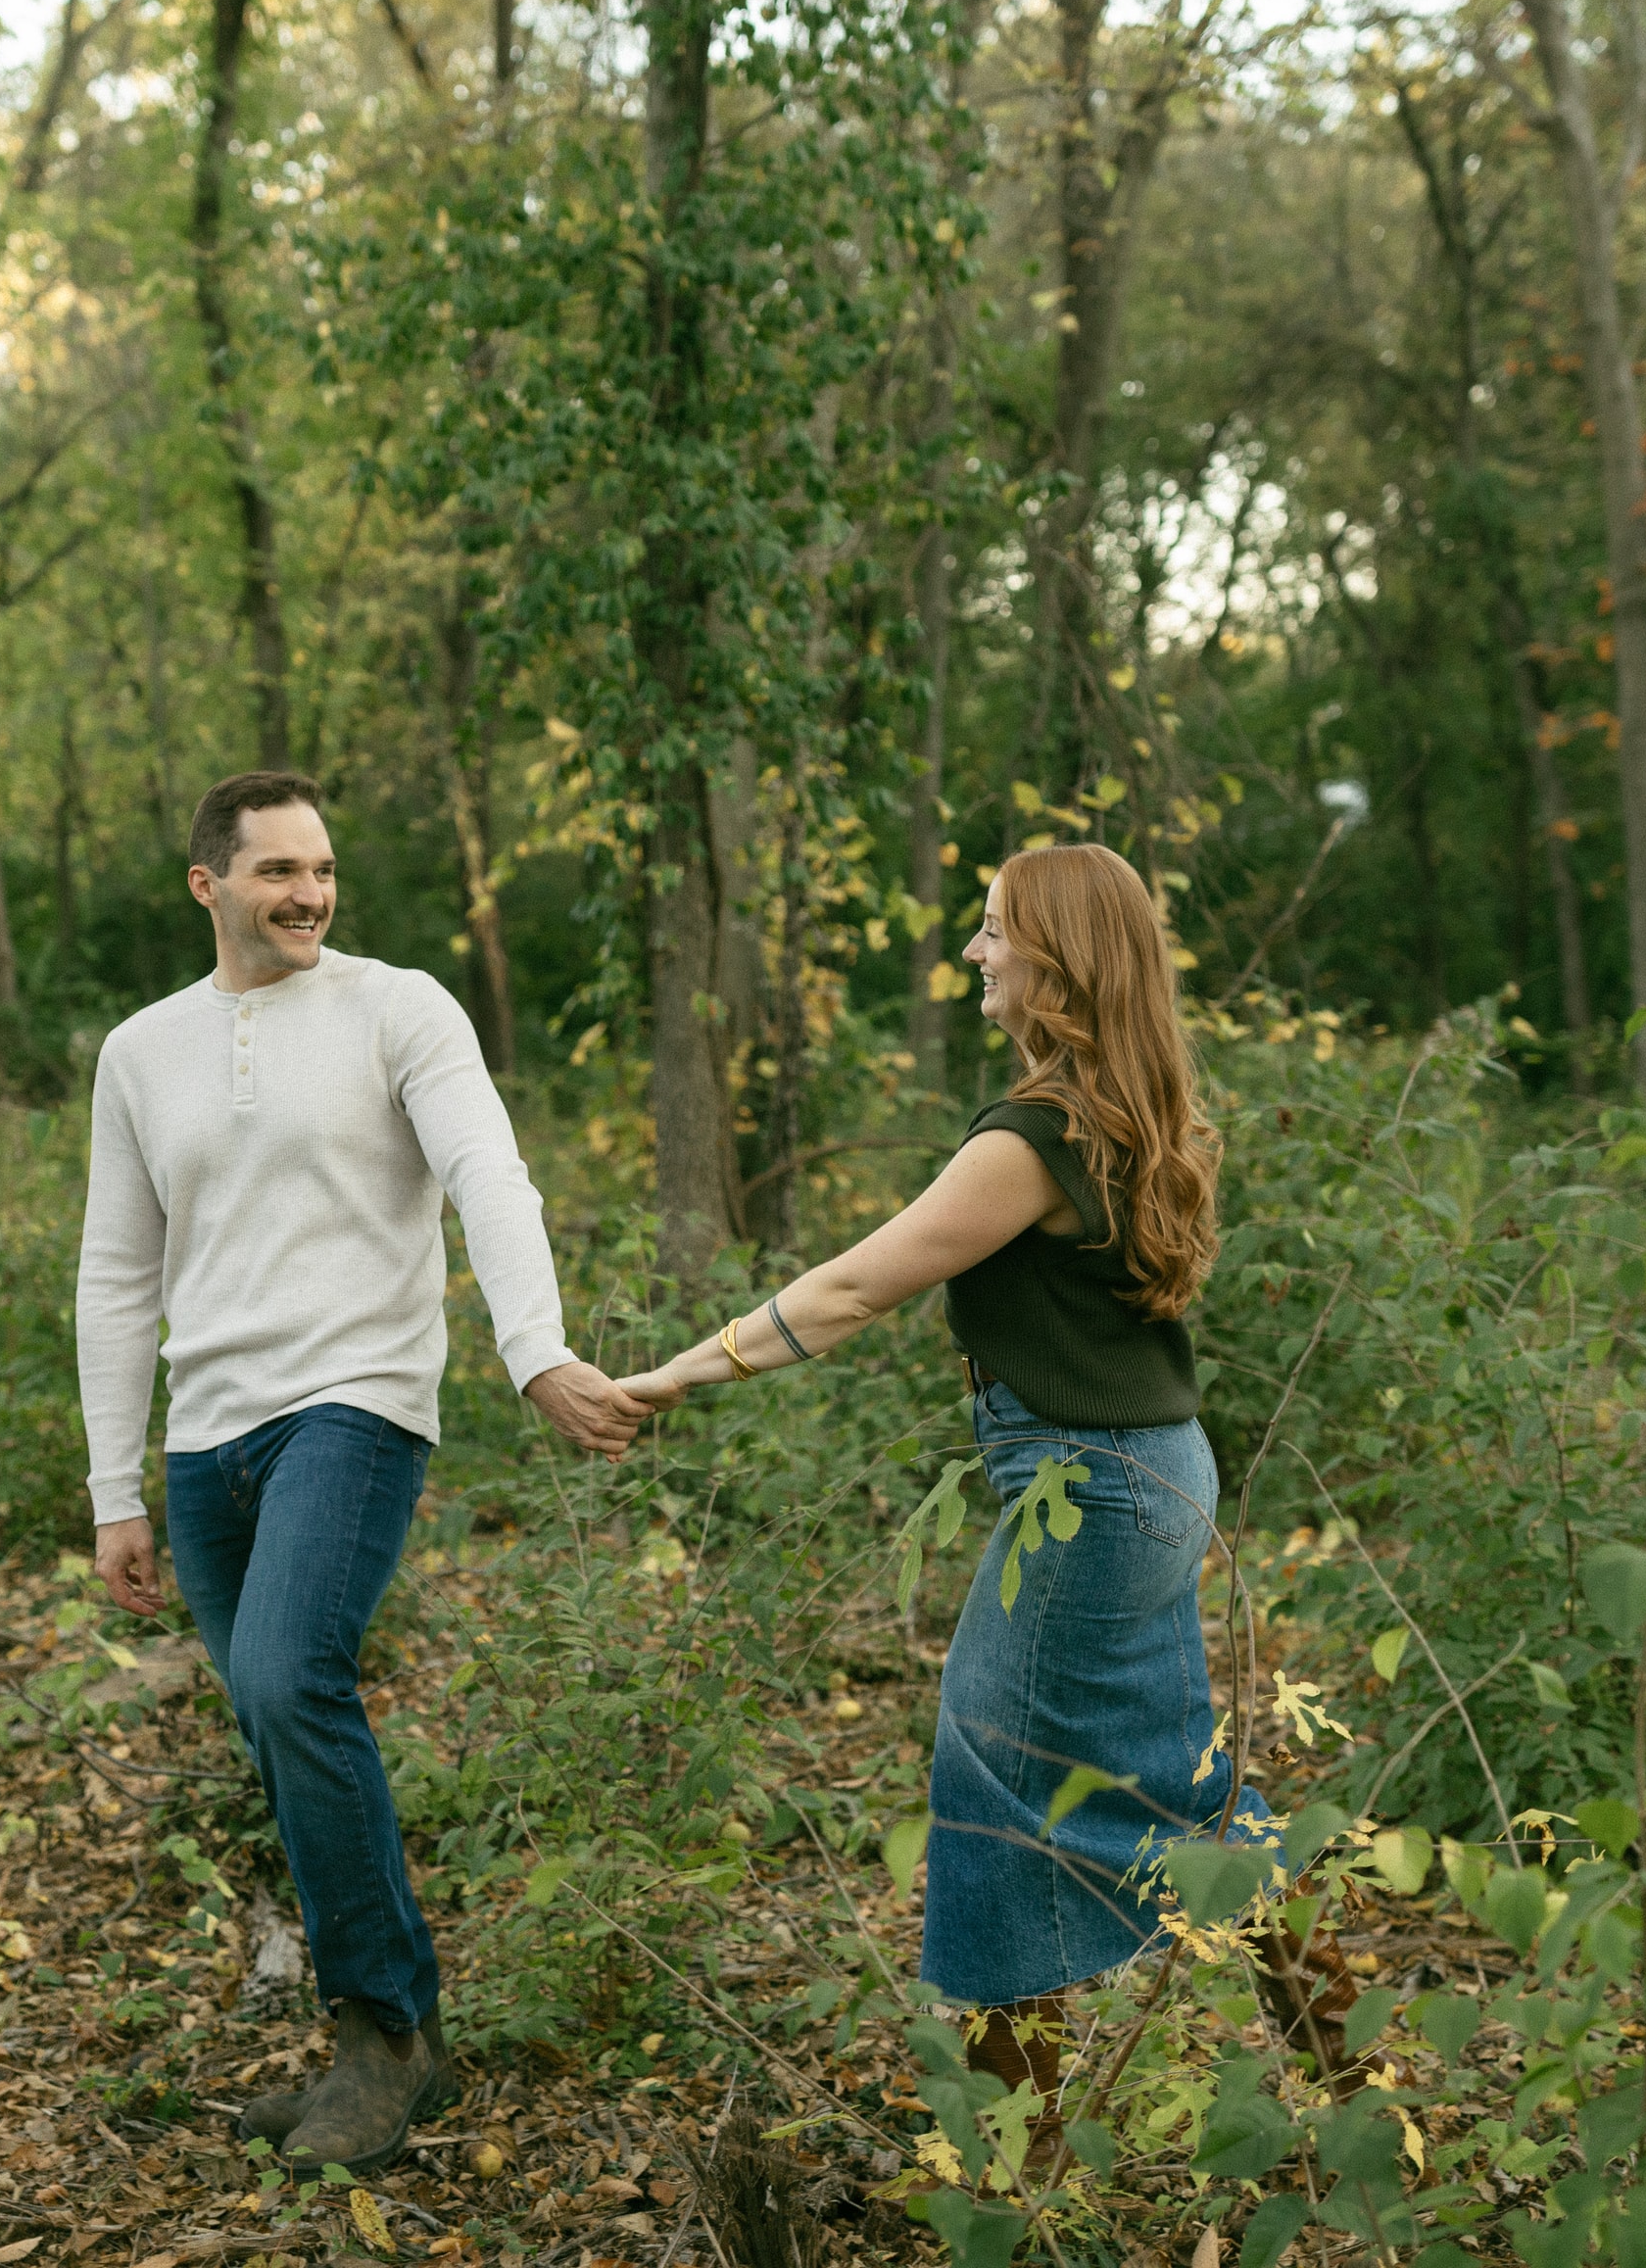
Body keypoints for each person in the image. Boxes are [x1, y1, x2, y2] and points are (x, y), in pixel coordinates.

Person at [620, 844, 1258, 2098]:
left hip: (1093, 1490)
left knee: (990, 1777)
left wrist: (678, 1373)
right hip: (1158, 1476)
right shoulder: (1129, 1108)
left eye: (994, 929)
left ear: (1059, 959)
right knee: (1179, 1776)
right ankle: (1334, 2045)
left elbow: (857, 1285)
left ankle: (1009, 2138)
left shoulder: (1035, 1137)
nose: (975, 951)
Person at [77, 770, 647, 2172]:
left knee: (289, 1678)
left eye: (323, 868)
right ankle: (396, 2025)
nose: (311, 894)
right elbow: (116, 1270)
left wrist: (534, 1349)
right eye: (279, 870)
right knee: (275, 1721)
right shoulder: (142, 1051)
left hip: (355, 1403)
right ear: (208, 884)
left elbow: (490, 1176)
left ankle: (381, 2037)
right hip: (206, 1436)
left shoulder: (401, 1009)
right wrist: (114, 1489)